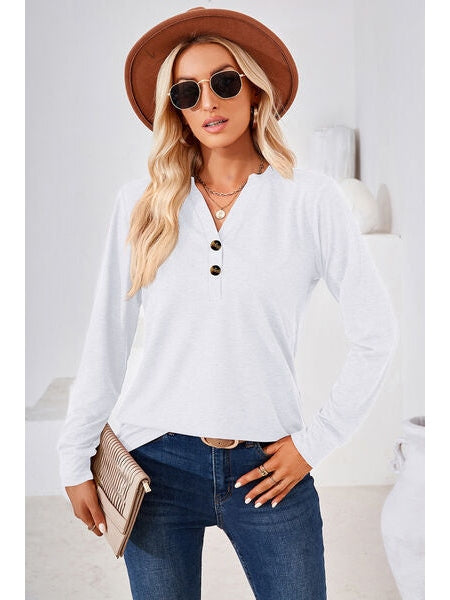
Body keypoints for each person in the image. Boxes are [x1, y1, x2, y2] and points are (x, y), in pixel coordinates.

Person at [58, 7, 399, 600]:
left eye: (223, 81)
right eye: (187, 92)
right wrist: (73, 455)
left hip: (267, 465)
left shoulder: (311, 200)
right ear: (176, 109)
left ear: (254, 90)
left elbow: (377, 334)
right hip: (153, 463)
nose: (209, 103)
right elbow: (108, 338)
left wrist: (314, 444)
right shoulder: (141, 203)